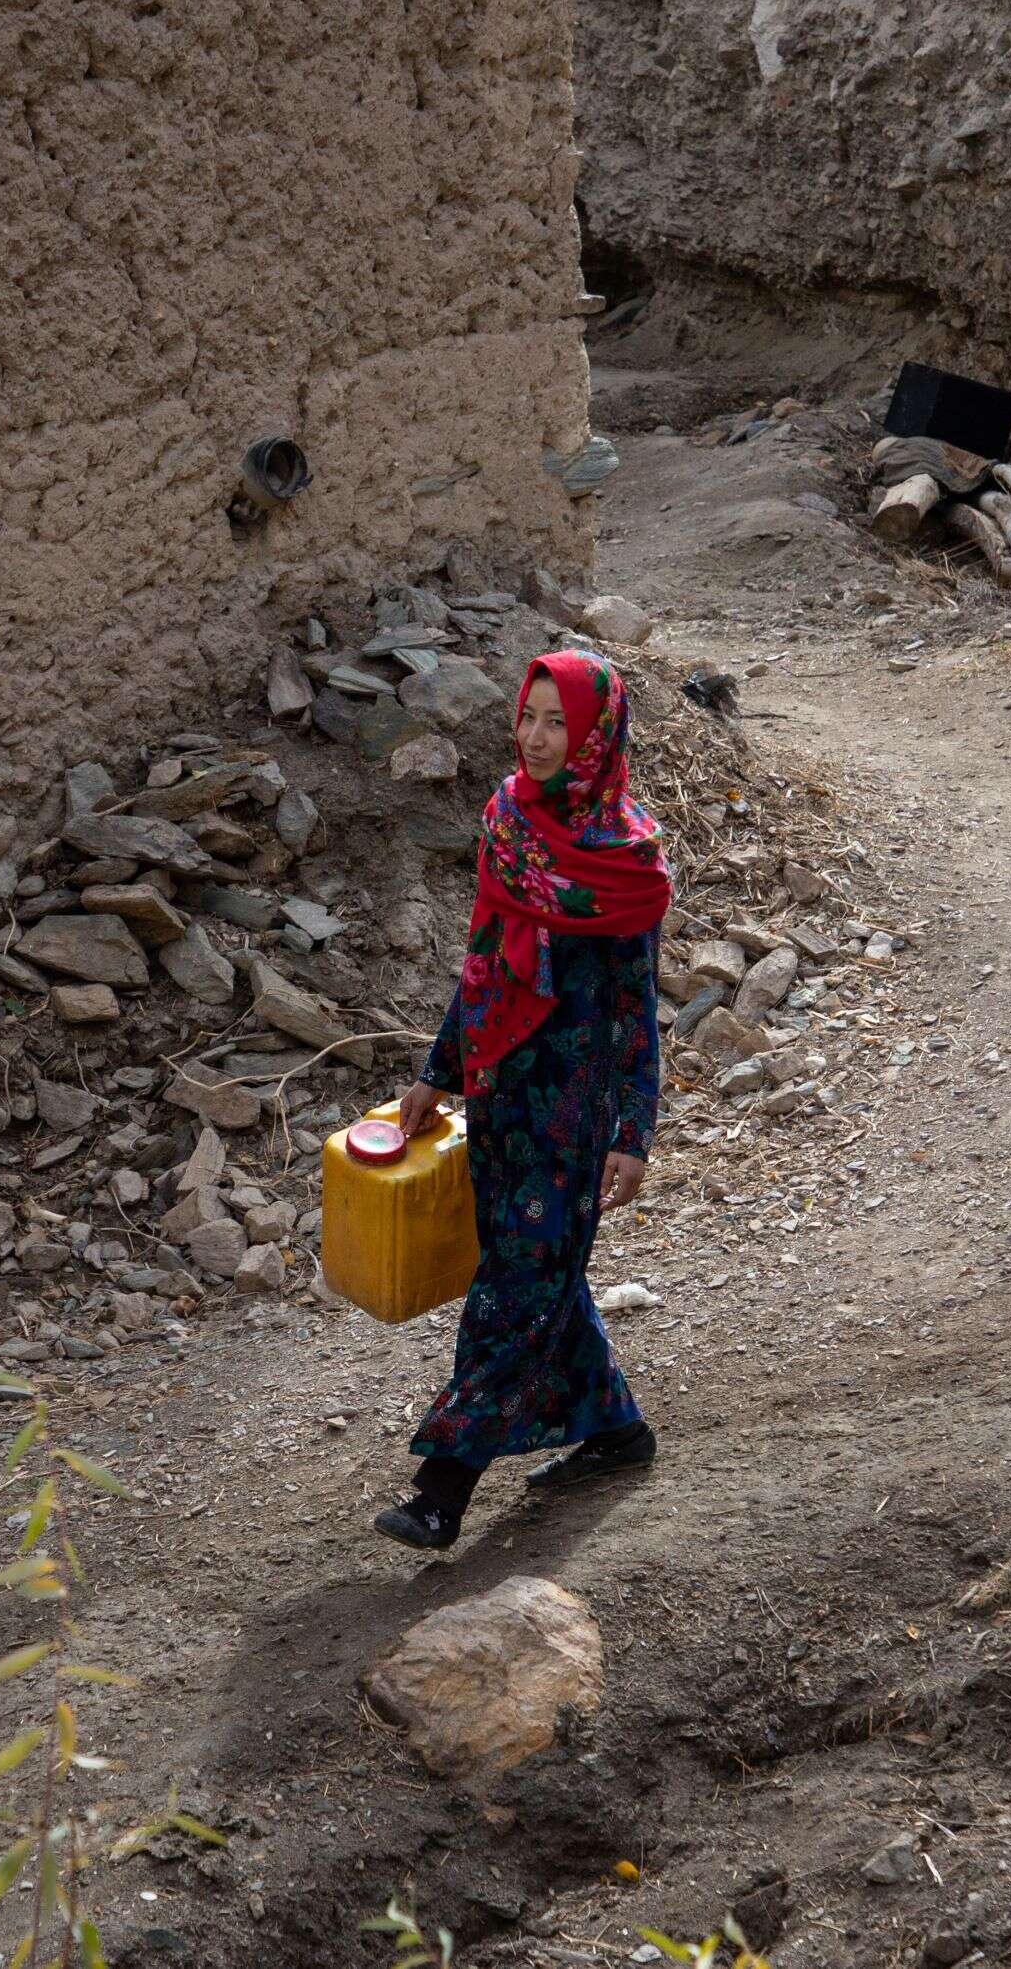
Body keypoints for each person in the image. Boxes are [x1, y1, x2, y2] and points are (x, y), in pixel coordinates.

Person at [376, 649, 671, 1551]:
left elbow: (635, 1009)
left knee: (512, 1289)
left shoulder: (626, 861)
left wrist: (634, 1130)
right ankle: (617, 1432)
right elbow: (482, 966)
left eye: (559, 723)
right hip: (501, 1092)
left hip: (574, 1113)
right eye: (529, 717)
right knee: (534, 1273)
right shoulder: (509, 823)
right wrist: (437, 1071)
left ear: (595, 737)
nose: (538, 739)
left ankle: (442, 1489)